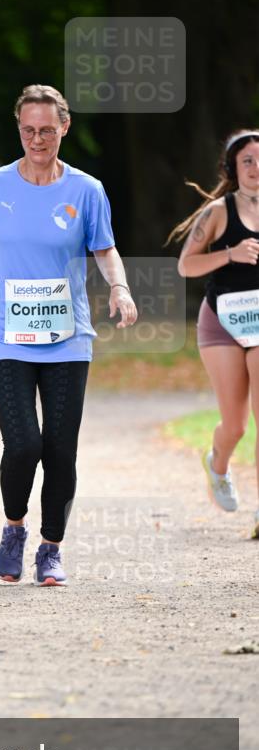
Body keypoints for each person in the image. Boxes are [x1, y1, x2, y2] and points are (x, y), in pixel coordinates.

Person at [0, 84, 137, 585]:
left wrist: (119, 287)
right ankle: (14, 529)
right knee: (24, 444)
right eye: (29, 130)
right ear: (18, 129)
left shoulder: (86, 189)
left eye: (48, 131)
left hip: (67, 337)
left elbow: (105, 248)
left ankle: (50, 547)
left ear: (64, 128)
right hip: (7, 336)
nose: (38, 139)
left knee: (60, 448)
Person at [168, 130, 259, 537]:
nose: (256, 169)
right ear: (233, 169)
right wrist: (231, 254)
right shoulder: (220, 212)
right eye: (248, 161)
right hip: (222, 320)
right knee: (235, 424)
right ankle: (217, 464)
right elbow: (186, 266)